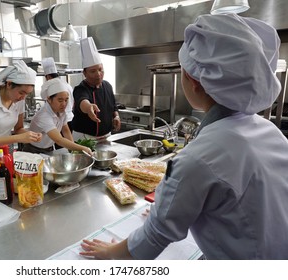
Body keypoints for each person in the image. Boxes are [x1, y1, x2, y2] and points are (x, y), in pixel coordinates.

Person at [80, 14, 288, 260]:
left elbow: (154, 238)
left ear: (192, 81)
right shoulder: (270, 132)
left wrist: (110, 252)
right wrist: (175, 214)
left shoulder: (198, 157)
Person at [23, 78, 92, 155]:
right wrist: (83, 148)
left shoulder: (61, 111)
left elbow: (65, 130)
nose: (64, 104)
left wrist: (73, 151)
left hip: (49, 148)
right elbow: (59, 140)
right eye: (60, 100)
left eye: (66, 100)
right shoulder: (43, 116)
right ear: (49, 99)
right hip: (33, 150)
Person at [71, 37, 121, 142]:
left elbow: (113, 106)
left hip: (106, 137)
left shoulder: (108, 86)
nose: (98, 74)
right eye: (93, 71)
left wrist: (116, 116)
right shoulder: (80, 89)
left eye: (100, 69)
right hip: (84, 138)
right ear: (85, 73)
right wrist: (89, 107)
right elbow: (82, 101)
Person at [41, 57, 74, 126]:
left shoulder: (49, 84)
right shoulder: (66, 84)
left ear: (48, 76)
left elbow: (44, 97)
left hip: (60, 118)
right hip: (70, 118)